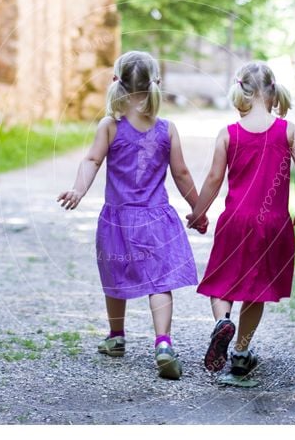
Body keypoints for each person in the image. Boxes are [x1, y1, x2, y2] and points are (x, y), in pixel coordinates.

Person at [58, 51, 207, 380]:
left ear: (116, 83)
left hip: (118, 220)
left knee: (114, 278)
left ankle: (117, 338)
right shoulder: (167, 129)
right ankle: (164, 343)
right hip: (157, 220)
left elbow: (92, 161)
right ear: (157, 85)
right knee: (160, 282)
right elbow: (181, 174)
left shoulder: (110, 126)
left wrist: (78, 190)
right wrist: (198, 209)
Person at [186, 61, 295, 376]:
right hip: (272, 224)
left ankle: (222, 322)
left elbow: (215, 178)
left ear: (240, 92)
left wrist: (198, 212)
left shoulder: (229, 134)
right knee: (256, 290)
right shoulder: (288, 131)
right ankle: (241, 351)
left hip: (235, 221)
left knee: (221, 281)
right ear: (273, 93)